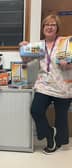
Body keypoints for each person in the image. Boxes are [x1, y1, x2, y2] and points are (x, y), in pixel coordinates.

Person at [19, 14, 72, 154]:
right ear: (43, 28)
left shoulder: (65, 42)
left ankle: (55, 142)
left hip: (63, 86)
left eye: (53, 24)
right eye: (46, 24)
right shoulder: (38, 46)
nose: (49, 27)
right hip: (44, 85)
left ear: (57, 28)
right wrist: (22, 49)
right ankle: (49, 134)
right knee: (35, 110)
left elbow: (70, 61)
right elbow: (26, 61)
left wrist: (69, 64)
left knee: (61, 118)